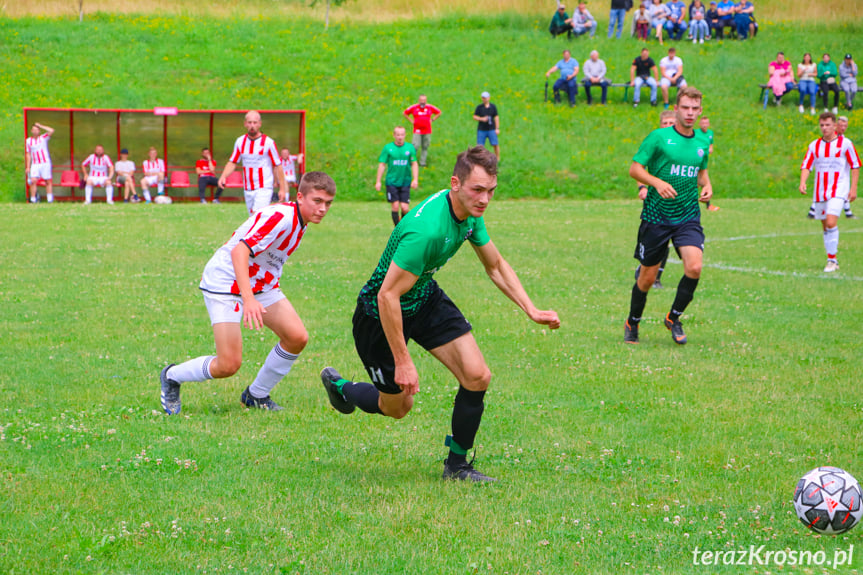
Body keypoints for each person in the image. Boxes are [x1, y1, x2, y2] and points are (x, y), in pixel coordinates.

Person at [319, 146, 560, 483]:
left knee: (477, 376)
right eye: (477, 190)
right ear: (455, 184)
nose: (484, 199)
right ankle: (342, 387)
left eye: (490, 191)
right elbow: (387, 295)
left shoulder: (471, 214)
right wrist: (403, 361)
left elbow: (495, 265)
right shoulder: (427, 230)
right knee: (398, 408)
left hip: (423, 296)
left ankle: (457, 466)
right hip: (379, 314)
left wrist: (531, 309)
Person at [159, 172, 337, 415]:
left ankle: (256, 395)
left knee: (297, 337)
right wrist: (249, 299)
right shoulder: (281, 217)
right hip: (226, 282)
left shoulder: (301, 220)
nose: (323, 209)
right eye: (317, 201)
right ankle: (171, 376)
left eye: (328, 203)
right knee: (228, 365)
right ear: (300, 196)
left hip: (260, 284)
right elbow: (239, 252)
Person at [624, 86, 712, 346]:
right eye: (685, 108)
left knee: (694, 266)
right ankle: (633, 321)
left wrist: (707, 186)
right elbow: (635, 169)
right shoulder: (659, 137)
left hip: (687, 216)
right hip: (656, 216)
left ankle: (674, 318)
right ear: (676, 109)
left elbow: (702, 173)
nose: (690, 113)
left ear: (700, 111)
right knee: (647, 278)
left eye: (695, 109)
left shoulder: (702, 142)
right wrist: (656, 183)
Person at [799, 112, 860, 273]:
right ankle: (832, 258)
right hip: (820, 191)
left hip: (839, 189)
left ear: (835, 125)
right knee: (826, 226)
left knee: (832, 222)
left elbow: (855, 165)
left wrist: (853, 188)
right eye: (822, 125)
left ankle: (832, 260)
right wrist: (803, 182)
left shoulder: (845, 144)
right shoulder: (814, 145)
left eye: (827, 125)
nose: (824, 128)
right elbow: (807, 164)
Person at [635, 109, 677, 290]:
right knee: (653, 239)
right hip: (655, 200)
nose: (667, 126)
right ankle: (644, 268)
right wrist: (642, 187)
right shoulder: (655, 142)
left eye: (671, 123)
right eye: (664, 123)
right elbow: (639, 167)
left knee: (668, 239)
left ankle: (657, 276)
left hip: (676, 201)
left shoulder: (682, 145)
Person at [219, 110, 287, 215]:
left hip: (264, 187)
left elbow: (278, 165)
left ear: (260, 124)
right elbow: (232, 162)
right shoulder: (240, 141)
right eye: (249, 122)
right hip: (248, 188)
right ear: (245, 124)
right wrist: (223, 176)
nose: (252, 125)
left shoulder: (268, 143)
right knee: (253, 220)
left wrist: (282, 189)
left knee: (257, 215)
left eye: (255, 123)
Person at [376, 126, 419, 226]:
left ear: (405, 135)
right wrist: (378, 181)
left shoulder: (410, 148)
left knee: (404, 208)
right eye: (398, 135)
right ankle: (398, 230)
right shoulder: (388, 148)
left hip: (405, 181)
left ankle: (403, 226)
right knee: (395, 206)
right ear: (394, 135)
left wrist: (415, 179)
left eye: (402, 135)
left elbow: (414, 163)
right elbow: (382, 164)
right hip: (392, 181)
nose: (400, 137)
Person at [403, 95, 441, 168]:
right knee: (415, 146)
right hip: (417, 130)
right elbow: (405, 113)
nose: (422, 102)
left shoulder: (430, 107)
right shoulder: (414, 107)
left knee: (425, 146)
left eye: (424, 100)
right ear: (419, 100)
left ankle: (422, 162)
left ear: (426, 101)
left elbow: (439, 112)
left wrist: (432, 120)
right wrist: (411, 121)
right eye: (421, 100)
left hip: (427, 130)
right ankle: (411, 161)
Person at [24, 122, 55, 204]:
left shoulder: (43, 138)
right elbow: (28, 154)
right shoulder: (28, 141)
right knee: (33, 180)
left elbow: (51, 130)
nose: (35, 131)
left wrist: (41, 125)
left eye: (37, 130)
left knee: (47, 180)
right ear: (31, 131)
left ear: (39, 131)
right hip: (35, 163)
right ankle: (33, 199)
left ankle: (49, 199)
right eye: (33, 130)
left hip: (45, 162)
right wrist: (28, 167)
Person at [836, 117, 857, 219]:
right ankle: (813, 210)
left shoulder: (845, 140)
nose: (843, 128)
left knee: (845, 188)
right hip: (834, 169)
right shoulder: (831, 138)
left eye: (845, 126)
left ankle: (848, 211)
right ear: (836, 125)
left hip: (844, 169)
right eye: (841, 125)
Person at [699, 116, 719, 211]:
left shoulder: (710, 133)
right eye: (703, 123)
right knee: (700, 182)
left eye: (706, 123)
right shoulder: (696, 133)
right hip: (695, 162)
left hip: (704, 162)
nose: (704, 125)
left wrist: (711, 147)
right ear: (699, 124)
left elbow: (711, 143)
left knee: (704, 183)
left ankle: (708, 205)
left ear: (709, 124)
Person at [473, 91, 500, 160]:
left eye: (485, 98)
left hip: (491, 129)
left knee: (495, 144)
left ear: (489, 98)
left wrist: (497, 128)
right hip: (482, 129)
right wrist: (481, 119)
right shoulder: (479, 107)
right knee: (480, 146)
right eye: (482, 98)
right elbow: (474, 116)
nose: (484, 99)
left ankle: (497, 158)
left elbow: (496, 117)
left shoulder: (493, 107)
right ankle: (481, 159)